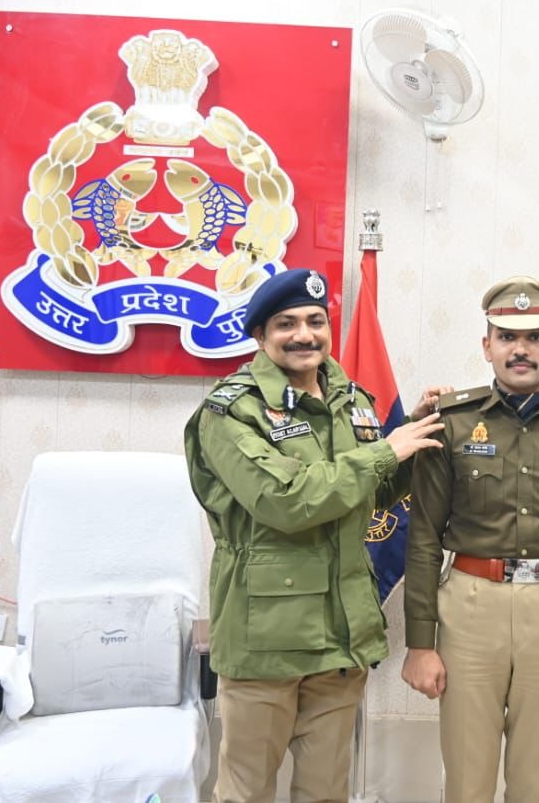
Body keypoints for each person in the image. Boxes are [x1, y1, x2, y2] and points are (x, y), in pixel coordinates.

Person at [183, 267, 445, 803]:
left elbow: (374, 493)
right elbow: (284, 501)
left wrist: (413, 438)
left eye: (315, 321)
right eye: (287, 324)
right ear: (260, 335)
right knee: (246, 793)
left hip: (340, 637)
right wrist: (384, 452)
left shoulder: (352, 399)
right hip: (266, 641)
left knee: (326, 792)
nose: (304, 334)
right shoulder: (231, 410)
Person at [401, 276, 539, 803]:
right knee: (467, 780)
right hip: (469, 607)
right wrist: (419, 644)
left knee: (535, 782)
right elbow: (424, 537)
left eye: (536, 337)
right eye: (506, 337)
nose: (520, 349)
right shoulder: (451, 420)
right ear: (487, 346)